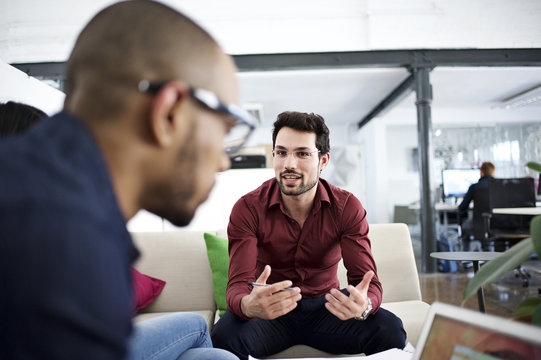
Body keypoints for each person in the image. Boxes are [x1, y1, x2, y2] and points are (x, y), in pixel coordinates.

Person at [0, 1, 256, 359]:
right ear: (168, 113)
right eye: (225, 129)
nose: (223, 161)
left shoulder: (45, 188)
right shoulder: (67, 239)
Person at [211, 111, 406, 359]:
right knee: (222, 336)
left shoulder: (346, 207)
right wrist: (248, 305)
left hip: (328, 309)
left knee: (390, 329)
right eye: (281, 153)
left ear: (323, 161)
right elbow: (238, 285)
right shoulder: (248, 208)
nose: (289, 164)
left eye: (302, 153)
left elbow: (367, 282)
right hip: (272, 312)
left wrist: (364, 305)